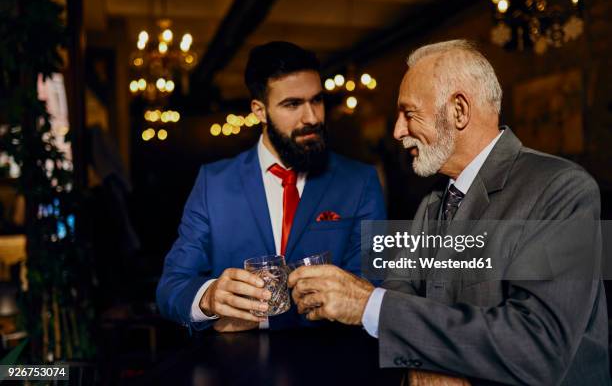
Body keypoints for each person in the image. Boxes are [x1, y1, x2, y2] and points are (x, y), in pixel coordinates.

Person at [288, 40, 610, 385]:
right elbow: (401, 291)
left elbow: (539, 346)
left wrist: (366, 304)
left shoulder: (562, 188)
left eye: (409, 113)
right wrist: (424, 359)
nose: (397, 132)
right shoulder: (434, 199)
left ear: (459, 111)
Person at [156, 41, 386, 333]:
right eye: (292, 104)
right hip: (236, 367)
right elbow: (170, 287)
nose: (312, 117)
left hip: (333, 359)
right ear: (259, 111)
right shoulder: (212, 183)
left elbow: (376, 285)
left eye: (316, 100)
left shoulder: (361, 181)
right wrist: (209, 298)